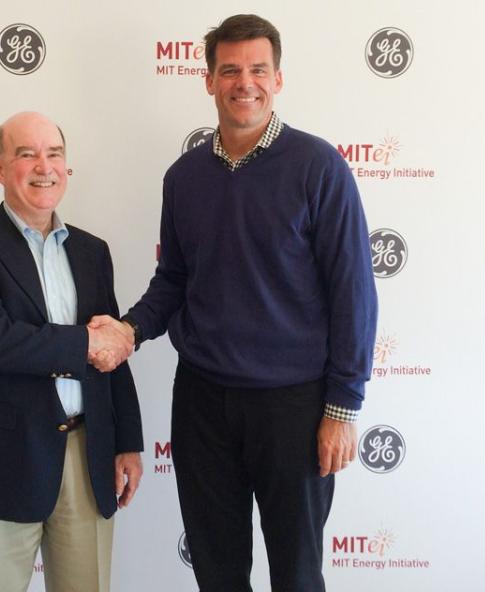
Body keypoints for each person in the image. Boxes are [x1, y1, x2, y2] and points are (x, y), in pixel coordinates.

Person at [89, 14, 377, 592]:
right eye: (230, 70)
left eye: (257, 70)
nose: (244, 82)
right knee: (217, 572)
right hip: (202, 403)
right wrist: (129, 329)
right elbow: (173, 278)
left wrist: (342, 406)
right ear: (209, 80)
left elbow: (354, 292)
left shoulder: (319, 167)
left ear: (277, 78)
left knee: (297, 573)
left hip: (293, 407)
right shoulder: (184, 177)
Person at [0, 111, 143, 592]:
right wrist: (87, 342)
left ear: (67, 166)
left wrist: (127, 439)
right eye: (26, 154)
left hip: (88, 456)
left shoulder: (94, 251)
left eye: (54, 154)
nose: (43, 166)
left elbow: (113, 358)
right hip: (1, 460)